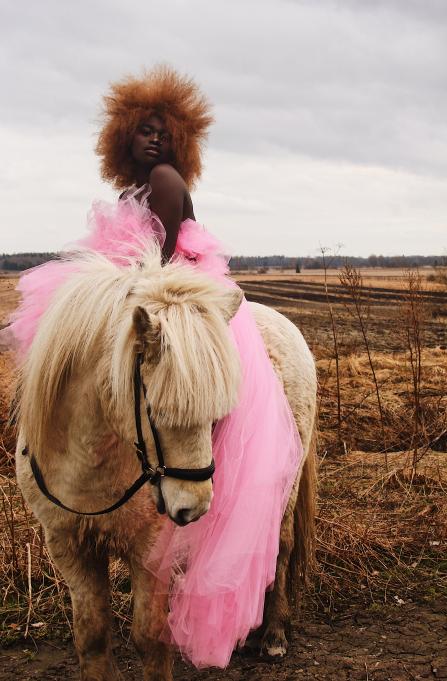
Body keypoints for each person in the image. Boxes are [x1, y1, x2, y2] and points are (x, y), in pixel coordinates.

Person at [8, 66, 304, 668]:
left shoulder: (166, 181)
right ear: (122, 138)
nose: (152, 142)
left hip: (175, 297)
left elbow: (162, 263)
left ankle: (201, 486)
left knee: (195, 396)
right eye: (141, 132)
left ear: (179, 142)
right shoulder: (132, 191)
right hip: (137, 293)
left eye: (161, 133)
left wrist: (130, 297)